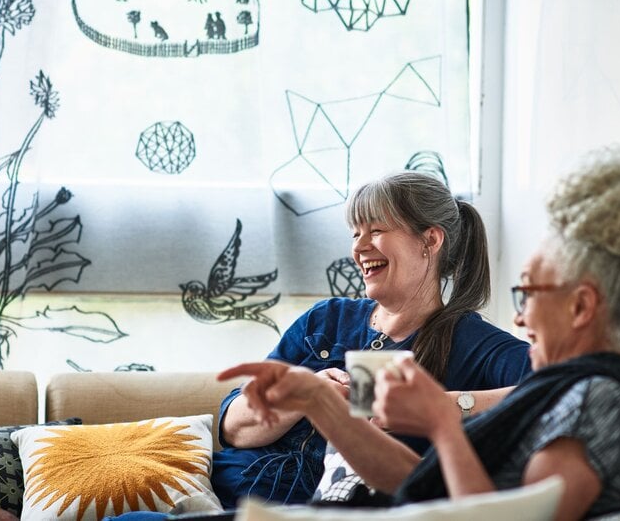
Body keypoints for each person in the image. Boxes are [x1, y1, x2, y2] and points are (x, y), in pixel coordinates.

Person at [222, 145, 620, 519]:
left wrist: (442, 418)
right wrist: (320, 402)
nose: (519, 318)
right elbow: (426, 486)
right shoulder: (572, 393)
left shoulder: (594, 402)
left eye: (528, 296)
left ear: (581, 306)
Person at [210, 171, 531, 509]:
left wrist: (443, 406)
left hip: (294, 510)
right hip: (215, 493)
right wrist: (306, 394)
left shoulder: (468, 339)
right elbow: (232, 427)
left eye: (376, 230)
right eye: (355, 233)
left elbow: (563, 384)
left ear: (430, 241)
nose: (359, 248)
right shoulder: (327, 319)